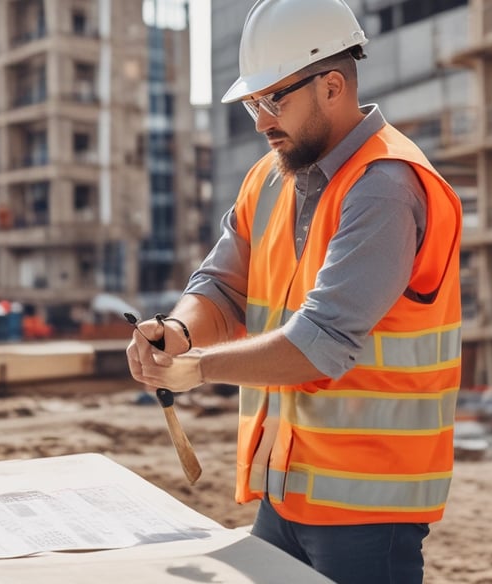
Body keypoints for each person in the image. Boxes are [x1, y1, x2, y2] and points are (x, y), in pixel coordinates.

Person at [126, 0, 463, 582]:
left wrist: (199, 368)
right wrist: (179, 332)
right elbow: (221, 286)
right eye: (254, 102)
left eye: (273, 100)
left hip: (366, 510)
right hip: (284, 493)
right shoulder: (268, 178)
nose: (260, 121)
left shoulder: (385, 187)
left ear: (333, 85)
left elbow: (320, 343)